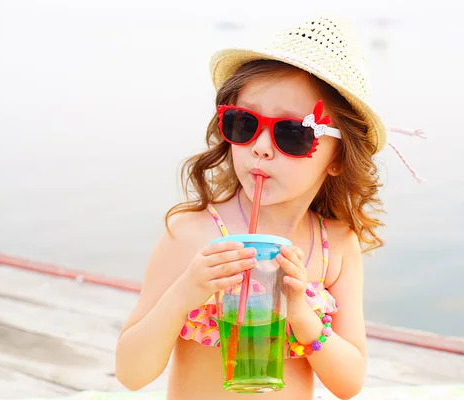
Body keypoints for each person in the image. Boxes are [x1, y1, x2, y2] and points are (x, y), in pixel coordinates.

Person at [115, 14, 424, 400]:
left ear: (338, 158)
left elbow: (349, 383)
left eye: (291, 133)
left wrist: (300, 313)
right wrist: (186, 292)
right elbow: (131, 373)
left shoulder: (336, 246)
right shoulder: (192, 234)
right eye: (244, 124)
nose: (260, 146)